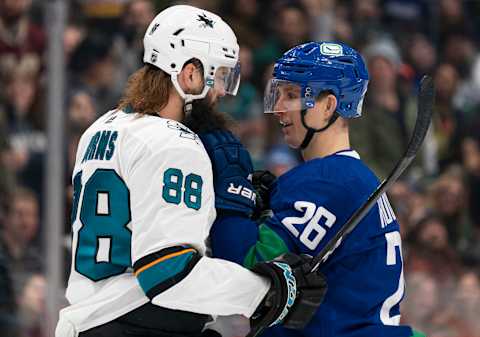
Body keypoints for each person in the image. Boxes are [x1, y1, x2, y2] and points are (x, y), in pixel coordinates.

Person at [55, 5, 327, 337]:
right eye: (222, 75)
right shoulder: (176, 143)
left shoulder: (101, 128)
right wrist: (267, 290)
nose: (223, 92)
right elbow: (168, 273)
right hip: (134, 323)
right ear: (190, 74)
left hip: (87, 321)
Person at [201, 41, 425, 337]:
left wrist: (232, 199)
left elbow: (245, 268)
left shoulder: (328, 180)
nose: (279, 109)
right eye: (278, 95)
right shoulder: (354, 177)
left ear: (329, 105)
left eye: (292, 96)